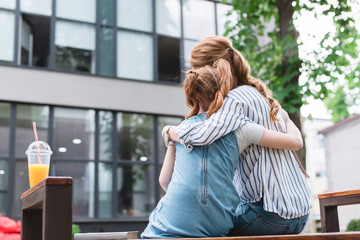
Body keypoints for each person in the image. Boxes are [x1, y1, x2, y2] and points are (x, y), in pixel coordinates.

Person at [163, 36, 312, 236]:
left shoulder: (233, 101)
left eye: (197, 72)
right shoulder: (258, 94)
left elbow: (201, 136)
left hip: (267, 214)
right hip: (300, 213)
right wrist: (286, 117)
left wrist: (169, 131)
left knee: (205, 230)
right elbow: (296, 142)